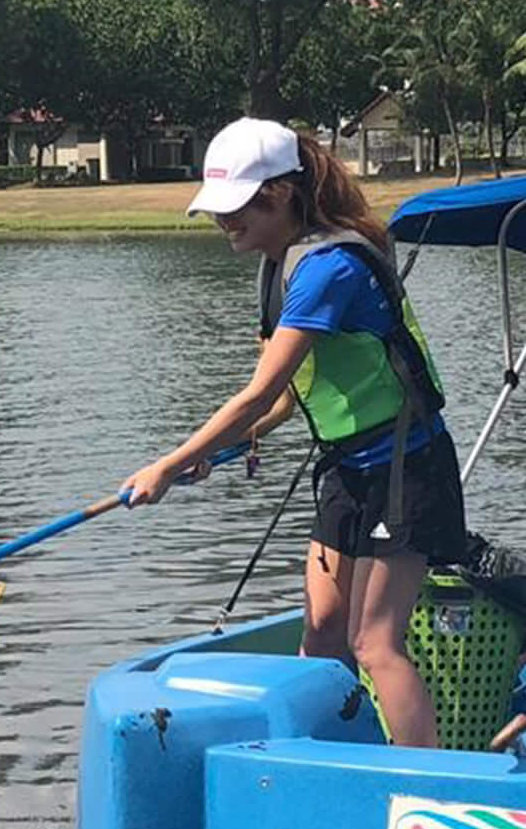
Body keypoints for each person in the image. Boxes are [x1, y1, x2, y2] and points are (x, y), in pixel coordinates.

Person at [123, 117, 469, 749]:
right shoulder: (274, 268)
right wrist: (219, 451)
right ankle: (331, 766)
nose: (224, 222)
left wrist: (169, 465)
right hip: (345, 468)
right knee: (323, 632)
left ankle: (424, 782)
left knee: (374, 642)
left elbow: (256, 392)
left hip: (405, 466)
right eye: (218, 210)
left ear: (279, 193)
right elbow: (282, 401)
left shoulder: (329, 267)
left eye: (236, 208)